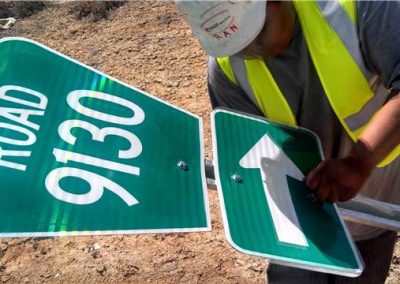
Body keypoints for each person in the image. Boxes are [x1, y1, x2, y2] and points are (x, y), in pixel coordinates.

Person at [175, 0, 400, 283]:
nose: (251, 51)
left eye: (258, 33)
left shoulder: (358, 7)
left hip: (374, 202)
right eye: (238, 46)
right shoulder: (227, 68)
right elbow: (249, 153)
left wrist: (360, 160)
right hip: (299, 218)